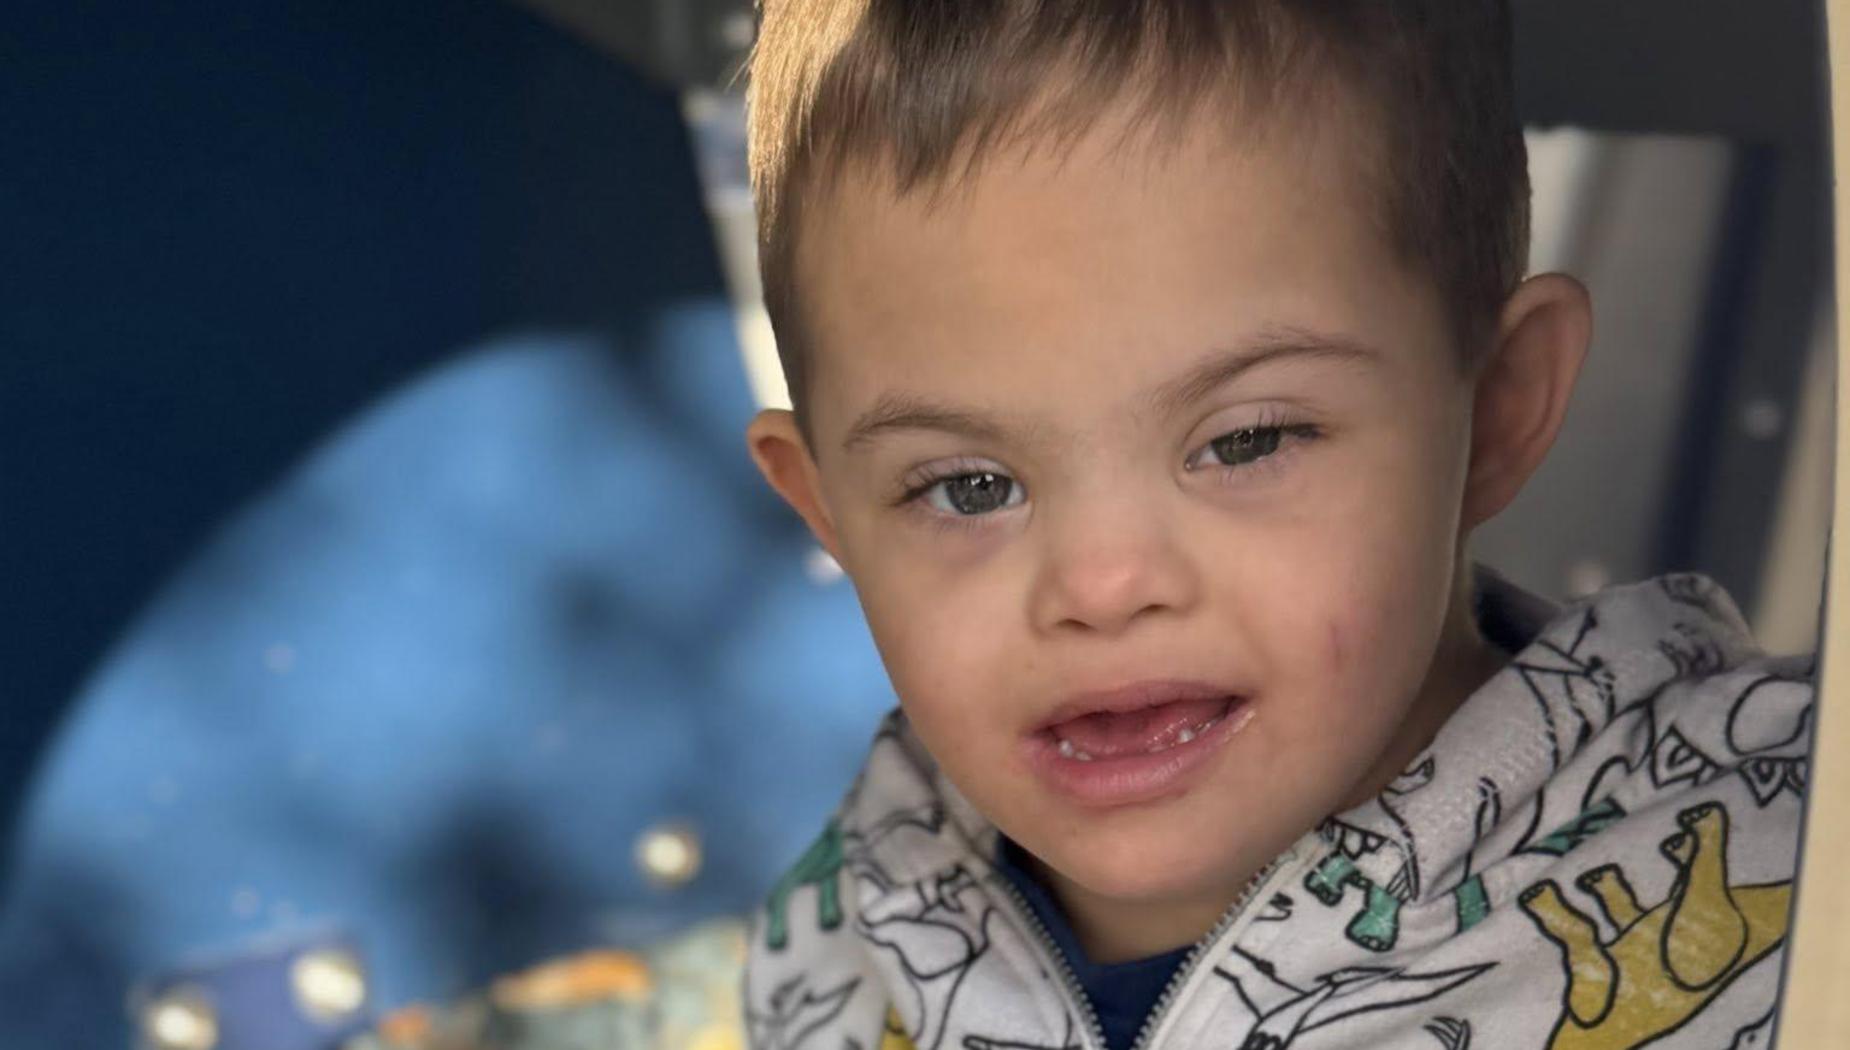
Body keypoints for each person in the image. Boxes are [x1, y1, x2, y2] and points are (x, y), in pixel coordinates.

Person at [735, 3, 1815, 1048]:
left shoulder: (1797, 870)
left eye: (1247, 440)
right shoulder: (833, 945)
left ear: (1492, 410)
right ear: (827, 513)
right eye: (968, 487)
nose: (1103, 584)